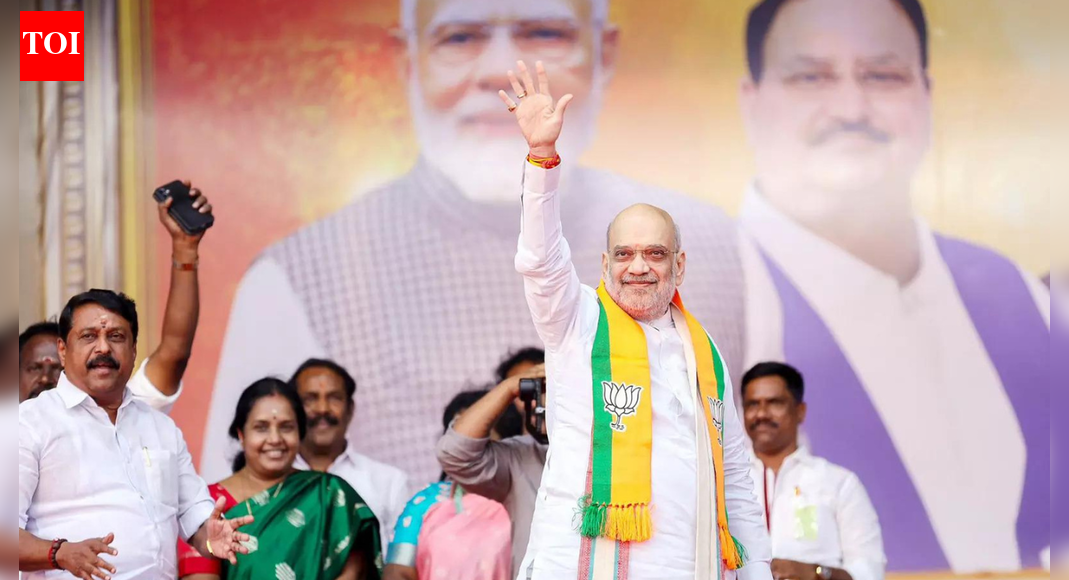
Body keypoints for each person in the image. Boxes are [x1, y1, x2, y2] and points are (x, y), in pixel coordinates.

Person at [205, 0, 748, 486]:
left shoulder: (719, 245)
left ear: (604, 53)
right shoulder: (298, 273)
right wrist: (540, 159)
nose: (499, 71)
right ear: (407, 60)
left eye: (545, 33)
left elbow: (737, 473)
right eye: (460, 38)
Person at [735, 0, 1048, 571]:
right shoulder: (720, 300)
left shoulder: (1015, 293)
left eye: (883, 75)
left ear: (926, 95)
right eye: (810, 78)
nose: (851, 108)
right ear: (751, 102)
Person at [501, 60, 770, 579]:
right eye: (624, 254)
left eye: (655, 254)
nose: (639, 267)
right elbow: (540, 260)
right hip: (581, 565)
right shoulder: (577, 320)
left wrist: (756, 571)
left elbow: (734, 473)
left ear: (679, 265)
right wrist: (542, 159)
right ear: (605, 265)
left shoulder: (704, 351)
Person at [18, 289, 251, 579]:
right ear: (63, 350)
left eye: (116, 336)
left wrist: (211, 536)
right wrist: (59, 553)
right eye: (89, 336)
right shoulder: (30, 423)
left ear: (133, 349)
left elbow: (195, 515)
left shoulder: (161, 428)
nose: (103, 348)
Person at [17, 182, 215, 410]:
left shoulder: (122, 413)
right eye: (34, 368)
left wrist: (185, 248)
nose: (45, 379)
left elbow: (175, 351)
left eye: (58, 370)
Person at [178, 378, 382, 580]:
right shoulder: (207, 505)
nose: (275, 439)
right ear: (241, 434)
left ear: (300, 433)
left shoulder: (329, 495)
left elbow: (353, 572)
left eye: (286, 427)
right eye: (261, 427)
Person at [741, 362, 884, 580]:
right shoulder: (725, 481)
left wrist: (815, 572)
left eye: (774, 403)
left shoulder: (838, 483)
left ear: (800, 411)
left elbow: (870, 572)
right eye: (752, 404)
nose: (761, 413)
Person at [384, 391, 512, 580]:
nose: (464, 446)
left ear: (506, 442)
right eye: (457, 436)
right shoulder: (427, 502)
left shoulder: (522, 499)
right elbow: (398, 573)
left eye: (476, 435)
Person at [437, 360, 549, 576]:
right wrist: (509, 387)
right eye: (541, 391)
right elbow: (454, 453)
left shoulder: (614, 451)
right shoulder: (522, 456)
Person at [289, 358, 410, 554]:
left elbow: (401, 563)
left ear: (350, 409)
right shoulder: (271, 481)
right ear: (291, 409)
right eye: (310, 398)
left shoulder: (388, 481)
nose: (322, 409)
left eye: (334, 398)